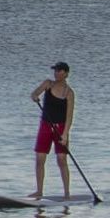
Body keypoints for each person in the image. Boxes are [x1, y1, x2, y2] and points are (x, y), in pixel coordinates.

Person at [29, 63, 75, 202]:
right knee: (40, 159)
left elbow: (69, 116)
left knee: (62, 160)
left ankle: (67, 193)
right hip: (45, 126)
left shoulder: (69, 93)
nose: (56, 73)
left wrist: (65, 134)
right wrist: (35, 96)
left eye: (59, 71)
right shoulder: (48, 84)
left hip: (60, 128)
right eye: (55, 71)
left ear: (66, 74)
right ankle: (39, 191)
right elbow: (34, 93)